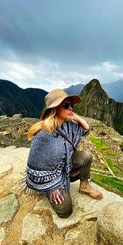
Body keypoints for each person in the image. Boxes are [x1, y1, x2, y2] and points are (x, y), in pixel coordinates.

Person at [22, 88, 103, 218]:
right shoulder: (44, 135)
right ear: (55, 109)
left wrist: (74, 116)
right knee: (65, 210)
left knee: (86, 156)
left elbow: (86, 129)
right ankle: (49, 192)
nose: (70, 108)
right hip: (50, 178)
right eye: (66, 105)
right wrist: (51, 187)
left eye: (71, 105)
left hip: (64, 166)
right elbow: (34, 168)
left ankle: (84, 185)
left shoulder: (68, 125)